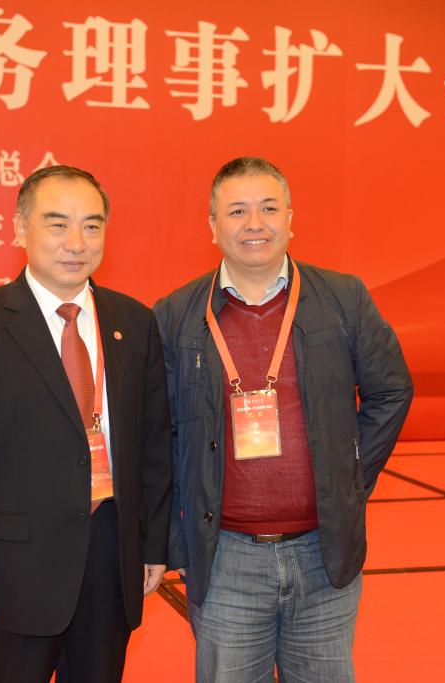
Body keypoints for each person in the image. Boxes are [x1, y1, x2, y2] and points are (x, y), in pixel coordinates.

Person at [154, 157, 413, 682]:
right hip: (224, 560)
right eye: (237, 211)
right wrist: (176, 540)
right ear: (213, 226)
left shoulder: (343, 298)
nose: (255, 224)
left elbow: (391, 391)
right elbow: (161, 432)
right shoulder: (175, 314)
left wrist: (349, 476)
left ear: (291, 219)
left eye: (269, 208)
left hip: (324, 553)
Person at [0, 165, 172, 683]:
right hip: (11, 573)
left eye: (92, 225)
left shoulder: (134, 322)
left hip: (110, 561)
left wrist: (152, 546)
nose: (76, 242)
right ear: (20, 228)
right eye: (57, 224)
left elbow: (153, 444)